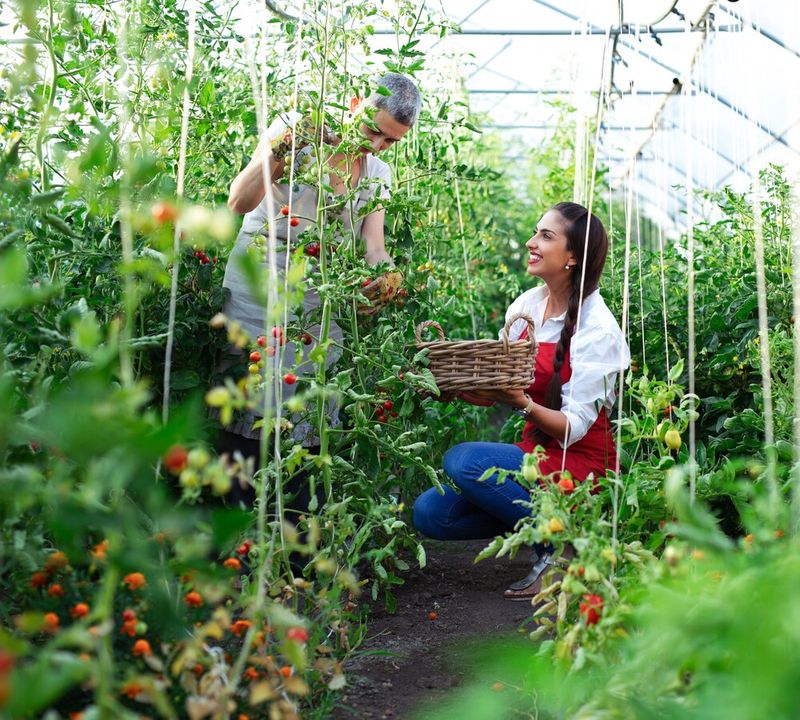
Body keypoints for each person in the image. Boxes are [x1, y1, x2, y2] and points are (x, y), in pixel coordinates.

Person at [214, 73, 420, 539]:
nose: (380, 146)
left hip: (318, 304)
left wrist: (386, 276)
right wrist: (281, 151)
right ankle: (234, 538)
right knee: (245, 403)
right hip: (259, 286)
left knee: (307, 414)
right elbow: (237, 199)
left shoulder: (378, 174)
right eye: (375, 131)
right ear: (354, 105)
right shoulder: (298, 129)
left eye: (392, 140)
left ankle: (291, 545)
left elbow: (373, 245)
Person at [412, 202, 630, 599]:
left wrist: (522, 404)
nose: (531, 242)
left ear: (573, 257)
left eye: (546, 236)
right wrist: (452, 387)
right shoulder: (527, 307)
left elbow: (573, 428)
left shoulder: (598, 330)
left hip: (578, 465)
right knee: (431, 513)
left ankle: (562, 551)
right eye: (535, 232)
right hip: (536, 455)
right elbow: (502, 386)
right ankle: (546, 524)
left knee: (464, 461)